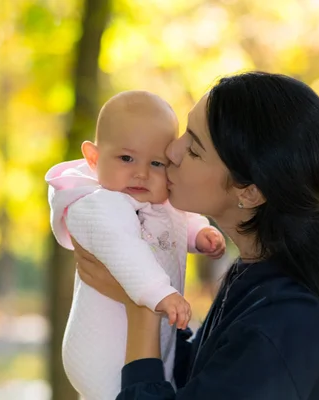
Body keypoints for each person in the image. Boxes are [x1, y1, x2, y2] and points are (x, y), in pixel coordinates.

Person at [72, 72, 319, 399]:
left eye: (193, 149)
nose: (171, 152)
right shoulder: (260, 271)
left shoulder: (287, 322)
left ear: (250, 192)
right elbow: (204, 374)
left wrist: (142, 308)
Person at [45, 91, 225, 400]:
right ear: (94, 158)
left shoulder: (155, 200)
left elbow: (174, 219)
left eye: (156, 162)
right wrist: (160, 293)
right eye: (126, 158)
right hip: (103, 346)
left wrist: (199, 234)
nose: (141, 173)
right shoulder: (98, 205)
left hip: (153, 334)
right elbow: (124, 250)